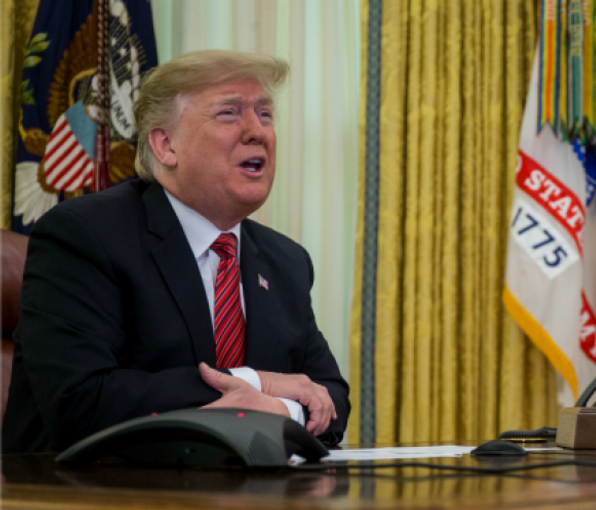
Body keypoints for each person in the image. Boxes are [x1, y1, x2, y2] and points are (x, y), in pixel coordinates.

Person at [0, 50, 350, 452]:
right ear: (166, 145)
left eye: (265, 115)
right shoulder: (85, 236)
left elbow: (330, 396)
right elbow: (83, 400)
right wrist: (257, 382)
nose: (258, 131)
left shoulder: (286, 261)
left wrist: (282, 411)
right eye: (229, 113)